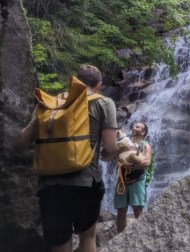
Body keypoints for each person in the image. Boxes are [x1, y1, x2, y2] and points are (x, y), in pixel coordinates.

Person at [18, 64, 118, 252]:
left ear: (74, 81)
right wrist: (111, 154)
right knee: (87, 237)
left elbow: (22, 142)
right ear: (99, 84)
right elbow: (111, 148)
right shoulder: (103, 103)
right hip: (86, 182)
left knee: (59, 241)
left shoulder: (49, 104)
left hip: (50, 186)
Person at [114, 122, 152, 233]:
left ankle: (142, 237)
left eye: (137, 127)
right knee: (121, 211)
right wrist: (122, 163)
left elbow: (147, 162)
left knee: (138, 210)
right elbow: (116, 157)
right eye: (134, 126)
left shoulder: (145, 145)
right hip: (122, 181)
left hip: (137, 181)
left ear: (143, 132)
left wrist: (130, 167)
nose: (133, 128)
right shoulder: (124, 143)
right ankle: (120, 240)